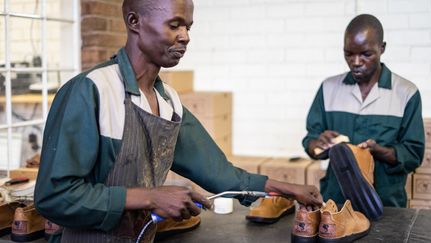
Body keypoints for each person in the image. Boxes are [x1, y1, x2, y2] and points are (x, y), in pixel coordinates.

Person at [34, 0, 322, 242]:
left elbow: (219, 173)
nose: (185, 36)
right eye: (175, 25)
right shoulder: (91, 90)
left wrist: (289, 188)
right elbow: (55, 196)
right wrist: (150, 198)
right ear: (134, 21)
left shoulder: (169, 101)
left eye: (188, 27)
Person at [302, 14, 425, 208]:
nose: (356, 62)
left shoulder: (406, 93)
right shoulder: (328, 88)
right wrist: (318, 145)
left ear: (382, 48)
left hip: (386, 205)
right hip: (336, 203)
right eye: (349, 54)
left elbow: (413, 155)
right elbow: (311, 142)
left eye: (366, 54)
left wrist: (379, 151)